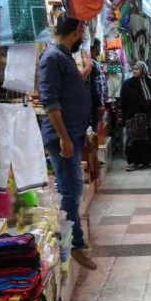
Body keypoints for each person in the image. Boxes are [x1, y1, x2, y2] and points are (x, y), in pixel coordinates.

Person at [38, 14, 97, 271]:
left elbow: (66, 89)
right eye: (82, 32)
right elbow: (50, 102)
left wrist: (85, 71)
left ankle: (74, 241)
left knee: (72, 190)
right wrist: (64, 138)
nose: (83, 36)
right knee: (70, 192)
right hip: (64, 137)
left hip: (72, 134)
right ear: (77, 31)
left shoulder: (62, 56)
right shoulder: (52, 57)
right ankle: (74, 245)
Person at [120, 62, 151, 170]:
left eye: (137, 69)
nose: (135, 71)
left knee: (147, 140)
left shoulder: (150, 82)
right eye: (134, 69)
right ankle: (133, 162)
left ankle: (146, 161)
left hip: (147, 117)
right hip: (132, 117)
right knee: (133, 139)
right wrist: (123, 115)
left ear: (143, 70)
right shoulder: (128, 84)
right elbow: (123, 100)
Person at [89, 38, 108, 129]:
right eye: (99, 47)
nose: (100, 49)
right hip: (95, 103)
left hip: (99, 102)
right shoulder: (91, 63)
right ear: (95, 47)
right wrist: (99, 103)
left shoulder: (96, 61)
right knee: (93, 127)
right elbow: (93, 85)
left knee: (96, 126)